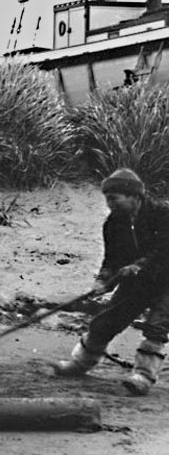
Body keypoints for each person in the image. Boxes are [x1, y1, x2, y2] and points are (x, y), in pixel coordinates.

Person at [52, 168, 169, 395]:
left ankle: (143, 377)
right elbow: (112, 259)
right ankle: (79, 363)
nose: (109, 203)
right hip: (138, 280)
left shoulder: (163, 214)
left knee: (156, 326)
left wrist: (139, 266)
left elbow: (165, 250)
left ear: (134, 197)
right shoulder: (113, 224)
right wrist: (103, 280)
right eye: (107, 198)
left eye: (114, 198)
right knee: (106, 320)